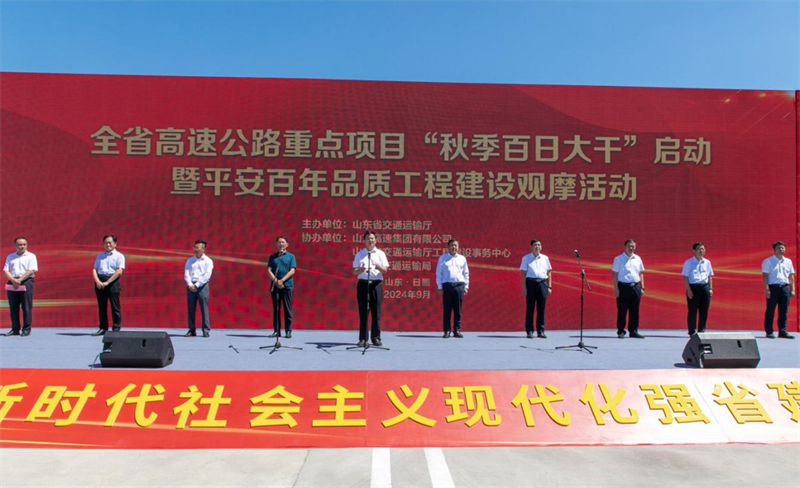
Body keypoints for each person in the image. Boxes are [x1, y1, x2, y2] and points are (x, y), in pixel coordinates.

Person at [352, 231, 389, 347]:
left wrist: (378, 267)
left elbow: (385, 270)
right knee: (363, 312)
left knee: (376, 312)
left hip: (376, 284)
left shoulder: (380, 254)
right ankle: (363, 339)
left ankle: (376, 338)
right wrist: (360, 270)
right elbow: (354, 271)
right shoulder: (360, 254)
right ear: (364, 241)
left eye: (372, 238)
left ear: (376, 240)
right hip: (363, 284)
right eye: (368, 238)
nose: (370, 240)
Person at [3, 237, 38, 337]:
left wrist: (20, 280)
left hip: (26, 281)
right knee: (13, 306)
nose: (22, 246)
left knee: (26, 306)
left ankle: (26, 329)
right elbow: (6, 270)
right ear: (15, 245)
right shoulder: (10, 257)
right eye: (20, 245)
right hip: (12, 281)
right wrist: (13, 280)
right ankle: (15, 329)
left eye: (24, 244)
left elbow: (31, 270)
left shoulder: (31, 256)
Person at [91, 235, 125, 336]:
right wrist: (97, 281)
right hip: (100, 281)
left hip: (112, 282)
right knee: (102, 307)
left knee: (115, 306)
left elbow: (119, 271)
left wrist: (108, 282)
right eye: (106, 243)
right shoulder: (100, 256)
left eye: (110, 243)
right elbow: (94, 269)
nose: (108, 245)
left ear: (115, 244)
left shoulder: (119, 256)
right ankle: (103, 328)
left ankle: (116, 328)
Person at [612, 239, 645, 339]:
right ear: (625, 247)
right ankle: (621, 331)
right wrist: (616, 289)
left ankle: (633, 331)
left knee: (635, 311)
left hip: (636, 287)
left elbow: (641, 273)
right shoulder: (619, 259)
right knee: (622, 310)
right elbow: (614, 275)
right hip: (623, 287)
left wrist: (642, 287)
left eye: (633, 246)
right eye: (629, 246)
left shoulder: (638, 258)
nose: (631, 248)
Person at [762, 241, 796, 339]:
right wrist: (767, 289)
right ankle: (769, 331)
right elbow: (765, 276)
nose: (781, 250)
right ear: (774, 250)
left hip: (785, 288)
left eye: (782, 248)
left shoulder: (788, 261)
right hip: (773, 288)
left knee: (784, 311)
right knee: (770, 310)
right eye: (778, 248)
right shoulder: (768, 261)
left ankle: (782, 331)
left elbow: (791, 276)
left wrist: (792, 289)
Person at [436, 239, 469, 338]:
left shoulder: (462, 259)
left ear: (458, 247)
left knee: (458, 310)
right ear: (448, 247)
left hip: (459, 286)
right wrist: (439, 287)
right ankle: (447, 330)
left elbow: (466, 273)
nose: (454, 247)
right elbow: (439, 273)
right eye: (452, 245)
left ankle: (457, 330)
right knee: (447, 309)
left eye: (455, 245)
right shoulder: (443, 258)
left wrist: (466, 286)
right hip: (447, 286)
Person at [519, 239, 552, 339]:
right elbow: (523, 274)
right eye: (535, 245)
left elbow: (549, 273)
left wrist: (549, 286)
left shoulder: (545, 258)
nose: (537, 247)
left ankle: (541, 331)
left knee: (541, 308)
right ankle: (529, 331)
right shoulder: (526, 258)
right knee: (530, 308)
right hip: (531, 283)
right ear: (531, 247)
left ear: (541, 247)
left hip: (542, 283)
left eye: (539, 245)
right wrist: (524, 287)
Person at [267, 236, 296, 339]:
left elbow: (292, 270)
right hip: (275, 286)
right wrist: (276, 281)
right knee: (276, 309)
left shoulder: (291, 257)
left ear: (287, 244)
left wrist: (282, 280)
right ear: (276, 244)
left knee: (287, 309)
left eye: (283, 242)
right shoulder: (273, 257)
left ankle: (288, 331)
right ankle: (276, 331)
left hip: (287, 286)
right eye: (279, 242)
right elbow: (269, 270)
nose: (281, 244)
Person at [682, 242, 714, 336]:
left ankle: (702, 330)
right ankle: (692, 331)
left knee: (704, 310)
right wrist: (689, 290)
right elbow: (685, 277)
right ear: (694, 251)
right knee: (693, 310)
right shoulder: (689, 262)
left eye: (703, 249)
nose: (701, 251)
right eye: (699, 249)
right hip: (693, 287)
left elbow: (709, 276)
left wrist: (710, 288)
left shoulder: (707, 262)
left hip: (705, 287)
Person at [184, 240, 214, 338]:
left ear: (204, 249)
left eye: (198, 248)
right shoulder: (190, 260)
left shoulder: (208, 261)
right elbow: (186, 273)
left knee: (204, 308)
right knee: (191, 308)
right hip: (191, 286)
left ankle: (205, 329)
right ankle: (191, 329)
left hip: (202, 286)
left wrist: (197, 285)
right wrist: (190, 284)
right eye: (195, 248)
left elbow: (207, 275)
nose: (196, 249)